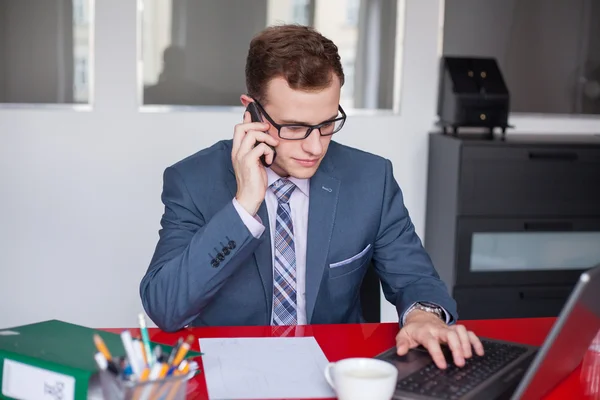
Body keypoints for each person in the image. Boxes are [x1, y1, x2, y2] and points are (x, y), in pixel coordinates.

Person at [140, 24, 484, 370]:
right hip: (231, 369)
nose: (315, 146)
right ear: (252, 113)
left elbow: (415, 278)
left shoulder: (371, 179)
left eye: (326, 124)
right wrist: (243, 206)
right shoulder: (192, 181)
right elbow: (166, 308)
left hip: (335, 369)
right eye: (293, 127)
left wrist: (424, 317)